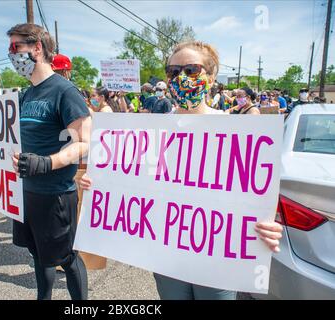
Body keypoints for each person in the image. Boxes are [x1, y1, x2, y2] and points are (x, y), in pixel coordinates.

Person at [79, 40, 283, 300]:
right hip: (168, 258)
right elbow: (132, 179)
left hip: (218, 259)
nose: (181, 78)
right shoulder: (153, 130)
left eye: (191, 70)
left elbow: (259, 189)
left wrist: (268, 222)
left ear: (210, 77)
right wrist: (100, 183)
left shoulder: (236, 131)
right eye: (173, 72)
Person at [7, 23, 91, 300]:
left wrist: (46, 163)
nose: (11, 54)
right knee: (38, 254)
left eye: (15, 47)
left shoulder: (65, 91)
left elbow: (81, 142)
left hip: (55, 194)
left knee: (66, 258)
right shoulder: (27, 94)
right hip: (27, 192)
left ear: (37, 48)